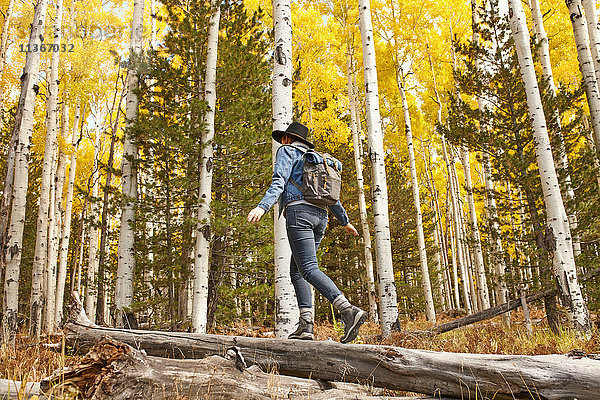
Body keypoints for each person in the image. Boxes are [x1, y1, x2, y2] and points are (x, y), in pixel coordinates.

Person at [247, 122, 367, 343]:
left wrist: (262, 206)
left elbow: (279, 182)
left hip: (298, 213)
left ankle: (348, 310)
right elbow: (331, 196)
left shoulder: (287, 151)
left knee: (309, 269)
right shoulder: (317, 159)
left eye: (282, 138)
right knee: (297, 271)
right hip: (321, 217)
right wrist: (344, 221)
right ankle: (306, 325)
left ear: (286, 138)